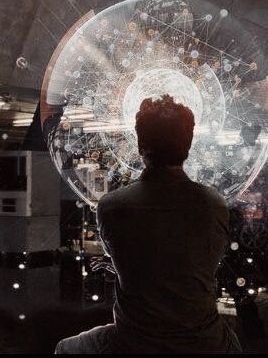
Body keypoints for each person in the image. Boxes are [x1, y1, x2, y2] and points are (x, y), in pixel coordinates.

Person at [55, 95, 241, 354]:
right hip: (204, 342)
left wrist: (129, 269)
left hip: (134, 343)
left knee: (65, 349)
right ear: (188, 146)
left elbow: (144, 246)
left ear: (140, 145)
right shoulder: (214, 203)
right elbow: (196, 262)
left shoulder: (112, 205)